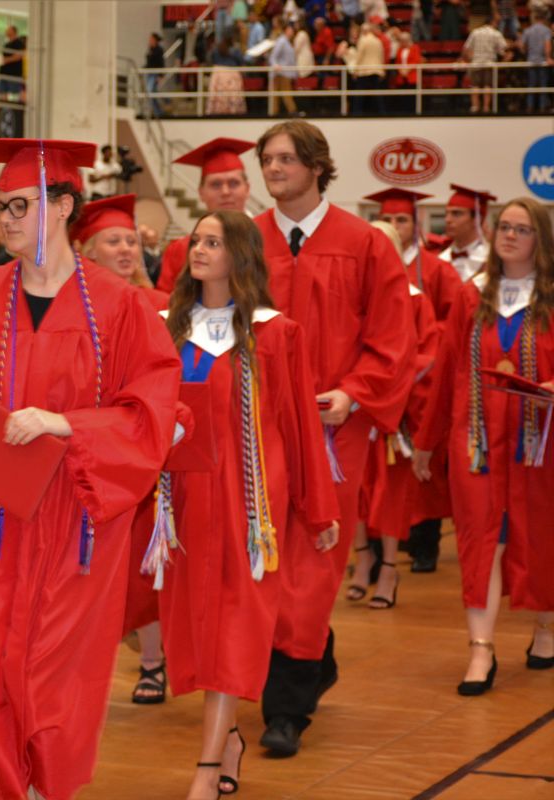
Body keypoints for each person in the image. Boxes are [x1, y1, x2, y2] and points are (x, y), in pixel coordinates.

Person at [0, 139, 181, 799]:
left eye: (19, 205)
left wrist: (67, 424)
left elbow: (150, 409)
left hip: (79, 517)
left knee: (58, 677)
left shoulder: (120, 306)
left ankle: (51, 789)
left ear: (62, 207)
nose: (4, 219)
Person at [158, 211, 339, 800]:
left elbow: (299, 424)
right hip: (183, 506)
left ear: (240, 255)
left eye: (213, 242)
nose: (199, 250)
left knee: (235, 629)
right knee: (201, 632)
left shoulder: (275, 333)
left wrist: (318, 508)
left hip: (249, 506)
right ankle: (229, 738)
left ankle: (207, 766)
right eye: (196, 240)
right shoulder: (169, 329)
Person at [253, 120, 415, 756]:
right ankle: (311, 660)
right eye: (267, 159)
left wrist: (354, 393)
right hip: (259, 427)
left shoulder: (365, 243)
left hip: (332, 427)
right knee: (266, 555)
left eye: (286, 159)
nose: (274, 169)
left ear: (317, 166)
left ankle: (286, 708)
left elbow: (392, 337)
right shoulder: (248, 240)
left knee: (314, 558)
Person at [414, 197, 554, 695]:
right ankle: (481, 649)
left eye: (522, 229)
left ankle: (545, 626)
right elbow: (449, 370)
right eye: (504, 227)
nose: (510, 236)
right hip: (476, 442)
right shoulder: (472, 296)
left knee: (541, 536)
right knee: (480, 543)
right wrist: (426, 442)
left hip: (540, 443)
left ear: (541, 240)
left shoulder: (551, 299)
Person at [71, 194, 167, 706]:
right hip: (82, 451)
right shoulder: (70, 308)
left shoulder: (161, 304)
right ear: (87, 250)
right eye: (114, 240)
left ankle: (152, 661)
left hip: (140, 452)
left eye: (132, 240)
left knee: (140, 565)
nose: (127, 248)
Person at [366, 188, 463, 572]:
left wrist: (414, 364)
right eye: (388, 219)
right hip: (381, 387)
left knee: (420, 470)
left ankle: (424, 544)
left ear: (416, 223)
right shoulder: (367, 275)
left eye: (401, 220)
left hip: (421, 383)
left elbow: (451, 327)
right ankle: (378, 549)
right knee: (377, 476)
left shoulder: (435, 271)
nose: (395, 226)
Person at [349, 220, 441, 609]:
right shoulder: (352, 293)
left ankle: (388, 567)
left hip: (394, 416)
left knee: (389, 496)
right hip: (355, 408)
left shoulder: (415, 299)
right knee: (353, 490)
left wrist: (390, 391)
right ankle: (362, 558)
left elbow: (426, 355)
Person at [156, 137, 255, 294]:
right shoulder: (180, 251)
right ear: (201, 193)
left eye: (233, 183)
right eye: (216, 184)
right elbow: (166, 302)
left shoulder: (269, 240)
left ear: (247, 189)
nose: (225, 192)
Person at [440, 184, 497, 282]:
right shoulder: (440, 259)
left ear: (477, 219)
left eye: (456, 214)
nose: (447, 220)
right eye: (446, 213)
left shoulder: (492, 260)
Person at [461, 16, 509, 113]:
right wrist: (505, 59)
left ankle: (475, 107)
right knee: (488, 85)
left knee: (475, 86)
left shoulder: (475, 32)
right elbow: (504, 48)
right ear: (492, 22)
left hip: (476, 63)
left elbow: (466, 48)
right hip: (489, 63)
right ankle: (486, 108)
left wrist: (469, 59)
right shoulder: (496, 33)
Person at [521, 9, 553, 114]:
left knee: (531, 85)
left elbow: (522, 45)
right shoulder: (546, 30)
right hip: (542, 61)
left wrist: (527, 53)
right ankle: (542, 107)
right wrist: (548, 57)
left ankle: (530, 106)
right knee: (543, 85)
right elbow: (547, 45)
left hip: (531, 60)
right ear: (543, 19)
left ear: (534, 19)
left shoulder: (528, 30)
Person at [269, 19, 300, 116]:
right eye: (290, 29)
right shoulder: (281, 41)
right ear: (286, 30)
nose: (292, 31)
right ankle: (291, 111)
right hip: (280, 72)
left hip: (286, 72)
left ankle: (276, 112)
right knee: (282, 93)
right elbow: (273, 56)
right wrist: (275, 65)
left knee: (282, 93)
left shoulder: (287, 41)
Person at [0, 24, 25, 100]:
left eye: (8, 30)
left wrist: (6, 60)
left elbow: (19, 56)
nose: (6, 31)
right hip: (4, 74)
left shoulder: (19, 43)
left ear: (13, 31)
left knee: (14, 96)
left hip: (13, 75)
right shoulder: (7, 44)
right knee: (2, 94)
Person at [144, 32, 166, 117]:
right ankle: (159, 110)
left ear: (155, 40)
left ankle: (159, 110)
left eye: (151, 39)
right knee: (153, 92)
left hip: (155, 73)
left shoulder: (159, 50)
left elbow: (161, 63)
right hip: (149, 73)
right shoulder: (150, 49)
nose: (149, 40)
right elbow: (149, 63)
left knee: (150, 92)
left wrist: (161, 75)